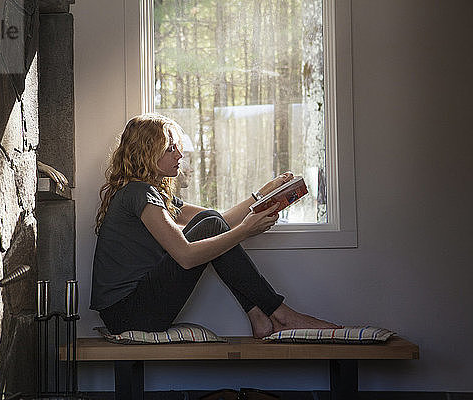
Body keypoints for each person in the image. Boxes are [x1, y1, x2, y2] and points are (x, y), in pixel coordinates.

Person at [90, 114, 339, 338]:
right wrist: (246, 230)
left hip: (132, 310)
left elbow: (220, 221)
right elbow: (186, 257)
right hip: (128, 315)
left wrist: (262, 195)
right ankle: (280, 314)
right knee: (209, 225)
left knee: (209, 220)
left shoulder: (149, 193)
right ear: (146, 153)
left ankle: (260, 316)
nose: (179, 154)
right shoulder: (138, 192)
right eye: (170, 149)